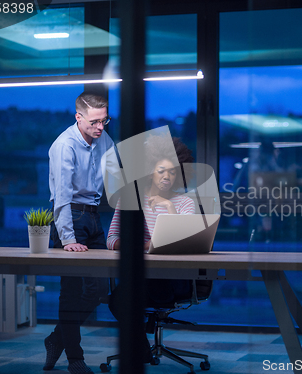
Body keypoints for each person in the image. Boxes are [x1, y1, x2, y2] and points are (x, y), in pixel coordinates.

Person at [106, 135, 195, 362]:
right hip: (141, 276)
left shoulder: (186, 203)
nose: (167, 176)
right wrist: (147, 245)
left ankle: (140, 345)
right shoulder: (130, 199)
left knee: (125, 295)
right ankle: (141, 344)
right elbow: (112, 238)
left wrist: (168, 206)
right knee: (118, 299)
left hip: (174, 279)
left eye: (173, 172)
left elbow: (181, 242)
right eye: (161, 170)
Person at [44, 92, 115, 374]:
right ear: (78, 117)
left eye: (105, 120)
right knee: (71, 292)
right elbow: (61, 196)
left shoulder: (103, 139)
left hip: (94, 217)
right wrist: (68, 239)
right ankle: (75, 357)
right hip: (69, 216)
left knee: (98, 289)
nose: (100, 127)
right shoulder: (64, 146)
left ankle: (56, 338)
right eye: (95, 122)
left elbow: (118, 172)